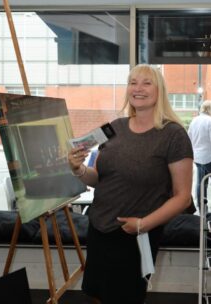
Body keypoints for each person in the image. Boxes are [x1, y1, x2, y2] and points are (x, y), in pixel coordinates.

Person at [67, 64, 193, 304]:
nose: (138, 88)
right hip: (99, 229)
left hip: (135, 235)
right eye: (133, 82)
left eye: (146, 83)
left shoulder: (173, 135)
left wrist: (142, 225)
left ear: (159, 90)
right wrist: (78, 169)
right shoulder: (114, 127)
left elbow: (182, 197)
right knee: (97, 295)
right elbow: (101, 178)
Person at [188, 100, 211, 213]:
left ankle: (202, 209)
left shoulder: (194, 120)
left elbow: (189, 138)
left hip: (197, 157)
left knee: (201, 183)